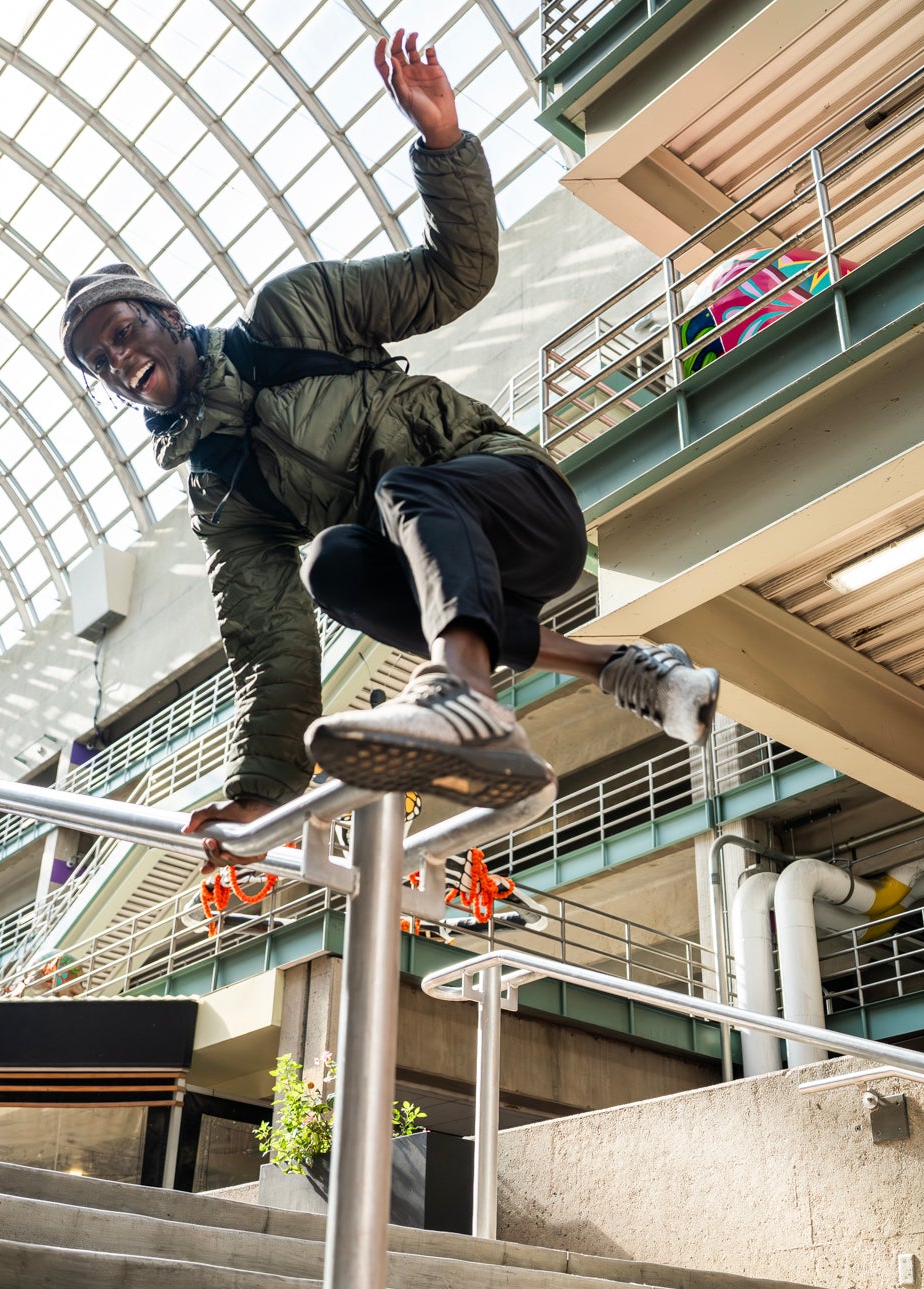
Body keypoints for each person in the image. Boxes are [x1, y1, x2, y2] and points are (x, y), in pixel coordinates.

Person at [60, 30, 719, 865]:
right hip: (453, 578)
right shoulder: (219, 488)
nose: (118, 360)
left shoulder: (296, 311)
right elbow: (271, 641)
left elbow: (455, 274)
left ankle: (462, 700)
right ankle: (615, 675)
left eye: (122, 331)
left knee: (403, 490)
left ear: (166, 318)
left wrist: (442, 142)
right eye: (100, 363)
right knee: (334, 564)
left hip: (514, 501)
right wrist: (258, 793)